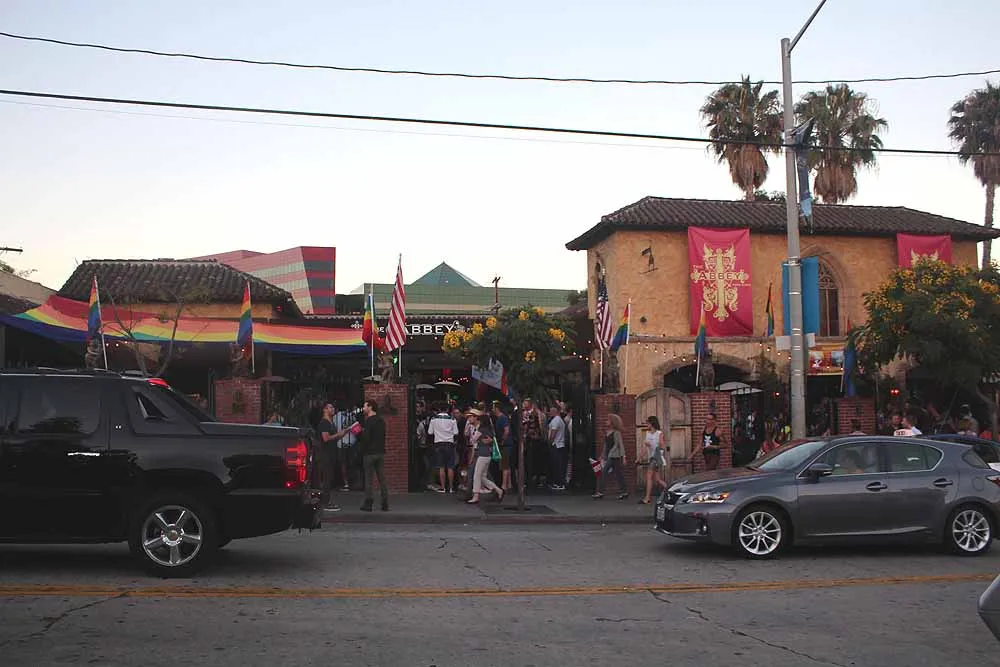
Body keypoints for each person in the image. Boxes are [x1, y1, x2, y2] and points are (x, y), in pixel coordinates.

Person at [467, 408, 504, 504]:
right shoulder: (489, 429)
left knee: (477, 475)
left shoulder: (481, 429)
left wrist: (476, 438)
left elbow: (472, 440)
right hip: (486, 454)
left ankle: (476, 495)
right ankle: (498, 490)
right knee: (483, 476)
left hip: (482, 454)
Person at [358, 399, 389, 512]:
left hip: (369, 453)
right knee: (382, 478)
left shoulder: (369, 421)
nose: (363, 408)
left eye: (365, 406)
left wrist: (359, 433)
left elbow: (366, 438)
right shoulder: (381, 420)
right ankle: (385, 502)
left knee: (369, 479)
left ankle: (368, 503)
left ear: (370, 407)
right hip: (380, 452)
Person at [594, 413, 628, 500]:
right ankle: (624, 492)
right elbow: (606, 445)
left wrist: (624, 457)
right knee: (617, 474)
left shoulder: (617, 433)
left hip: (615, 456)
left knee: (606, 472)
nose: (606, 421)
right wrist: (602, 455)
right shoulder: (607, 432)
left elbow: (620, 445)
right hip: (609, 456)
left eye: (608, 420)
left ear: (612, 422)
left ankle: (601, 492)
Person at [428, 403, 458, 493]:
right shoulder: (452, 419)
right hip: (449, 444)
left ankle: (443, 487)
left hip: (438, 444)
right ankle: (451, 488)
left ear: (439, 409)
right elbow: (456, 432)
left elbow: (430, 432)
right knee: (450, 467)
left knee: (441, 467)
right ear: (447, 409)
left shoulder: (433, 419)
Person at [641, 416, 668, 505]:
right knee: (657, 479)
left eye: (648, 423)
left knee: (649, 476)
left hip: (656, 457)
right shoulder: (648, 434)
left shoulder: (659, 433)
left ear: (652, 423)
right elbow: (646, 448)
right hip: (651, 457)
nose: (647, 425)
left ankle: (647, 498)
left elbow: (662, 446)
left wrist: (659, 443)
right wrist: (640, 457)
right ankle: (669, 491)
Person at [520, 398, 546, 489]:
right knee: (528, 461)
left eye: (525, 403)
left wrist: (540, 436)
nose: (524, 405)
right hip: (527, 440)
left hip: (535, 440)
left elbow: (540, 427)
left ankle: (535, 479)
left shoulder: (537, 414)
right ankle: (528, 479)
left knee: (534, 460)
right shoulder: (524, 413)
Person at [333, 405, 359, 491]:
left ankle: (346, 483)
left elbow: (334, 430)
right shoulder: (351, 416)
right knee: (352, 463)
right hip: (351, 443)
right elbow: (357, 431)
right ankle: (353, 483)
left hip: (340, 443)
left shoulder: (335, 417)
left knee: (343, 464)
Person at [493, 401, 514, 492]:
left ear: (497, 409)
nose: (492, 409)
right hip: (506, 444)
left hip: (505, 444)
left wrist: (502, 440)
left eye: (493, 408)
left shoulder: (503, 418)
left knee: (504, 465)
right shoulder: (500, 418)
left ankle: (504, 485)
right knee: (506, 464)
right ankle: (509, 484)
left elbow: (506, 430)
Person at [547, 406, 568, 491]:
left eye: (550, 411)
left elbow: (553, 433)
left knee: (557, 465)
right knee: (559, 465)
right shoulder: (560, 420)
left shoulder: (556, 420)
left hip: (556, 445)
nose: (549, 413)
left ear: (554, 412)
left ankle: (559, 483)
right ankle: (559, 483)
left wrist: (550, 442)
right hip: (560, 444)